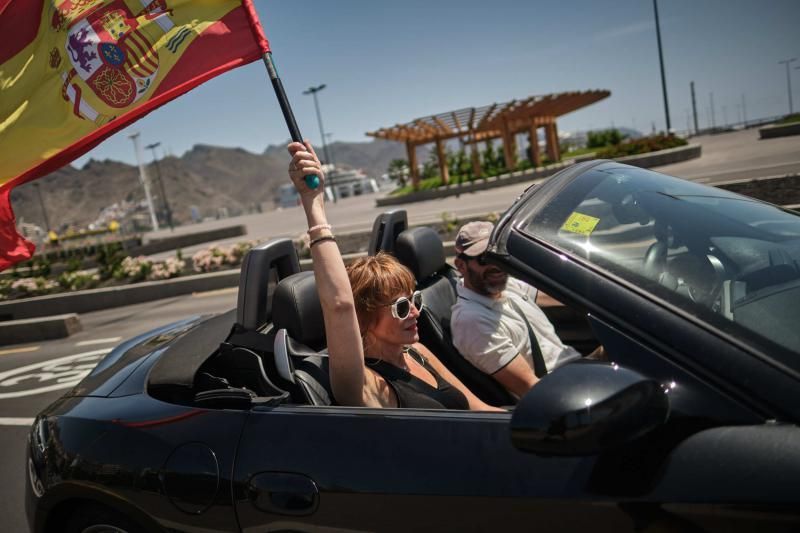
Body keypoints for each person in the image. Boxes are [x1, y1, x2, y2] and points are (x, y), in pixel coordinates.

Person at [287, 141, 501, 411]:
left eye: (415, 300)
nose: (414, 311)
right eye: (401, 307)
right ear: (364, 317)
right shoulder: (365, 386)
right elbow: (340, 305)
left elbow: (480, 411)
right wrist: (313, 203)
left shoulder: (416, 352)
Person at [450, 221, 584, 398]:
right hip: (566, 391)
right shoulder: (471, 321)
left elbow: (561, 297)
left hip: (576, 370)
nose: (496, 264)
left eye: (498, 253)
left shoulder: (506, 285)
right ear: (461, 266)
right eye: (484, 258)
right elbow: (533, 389)